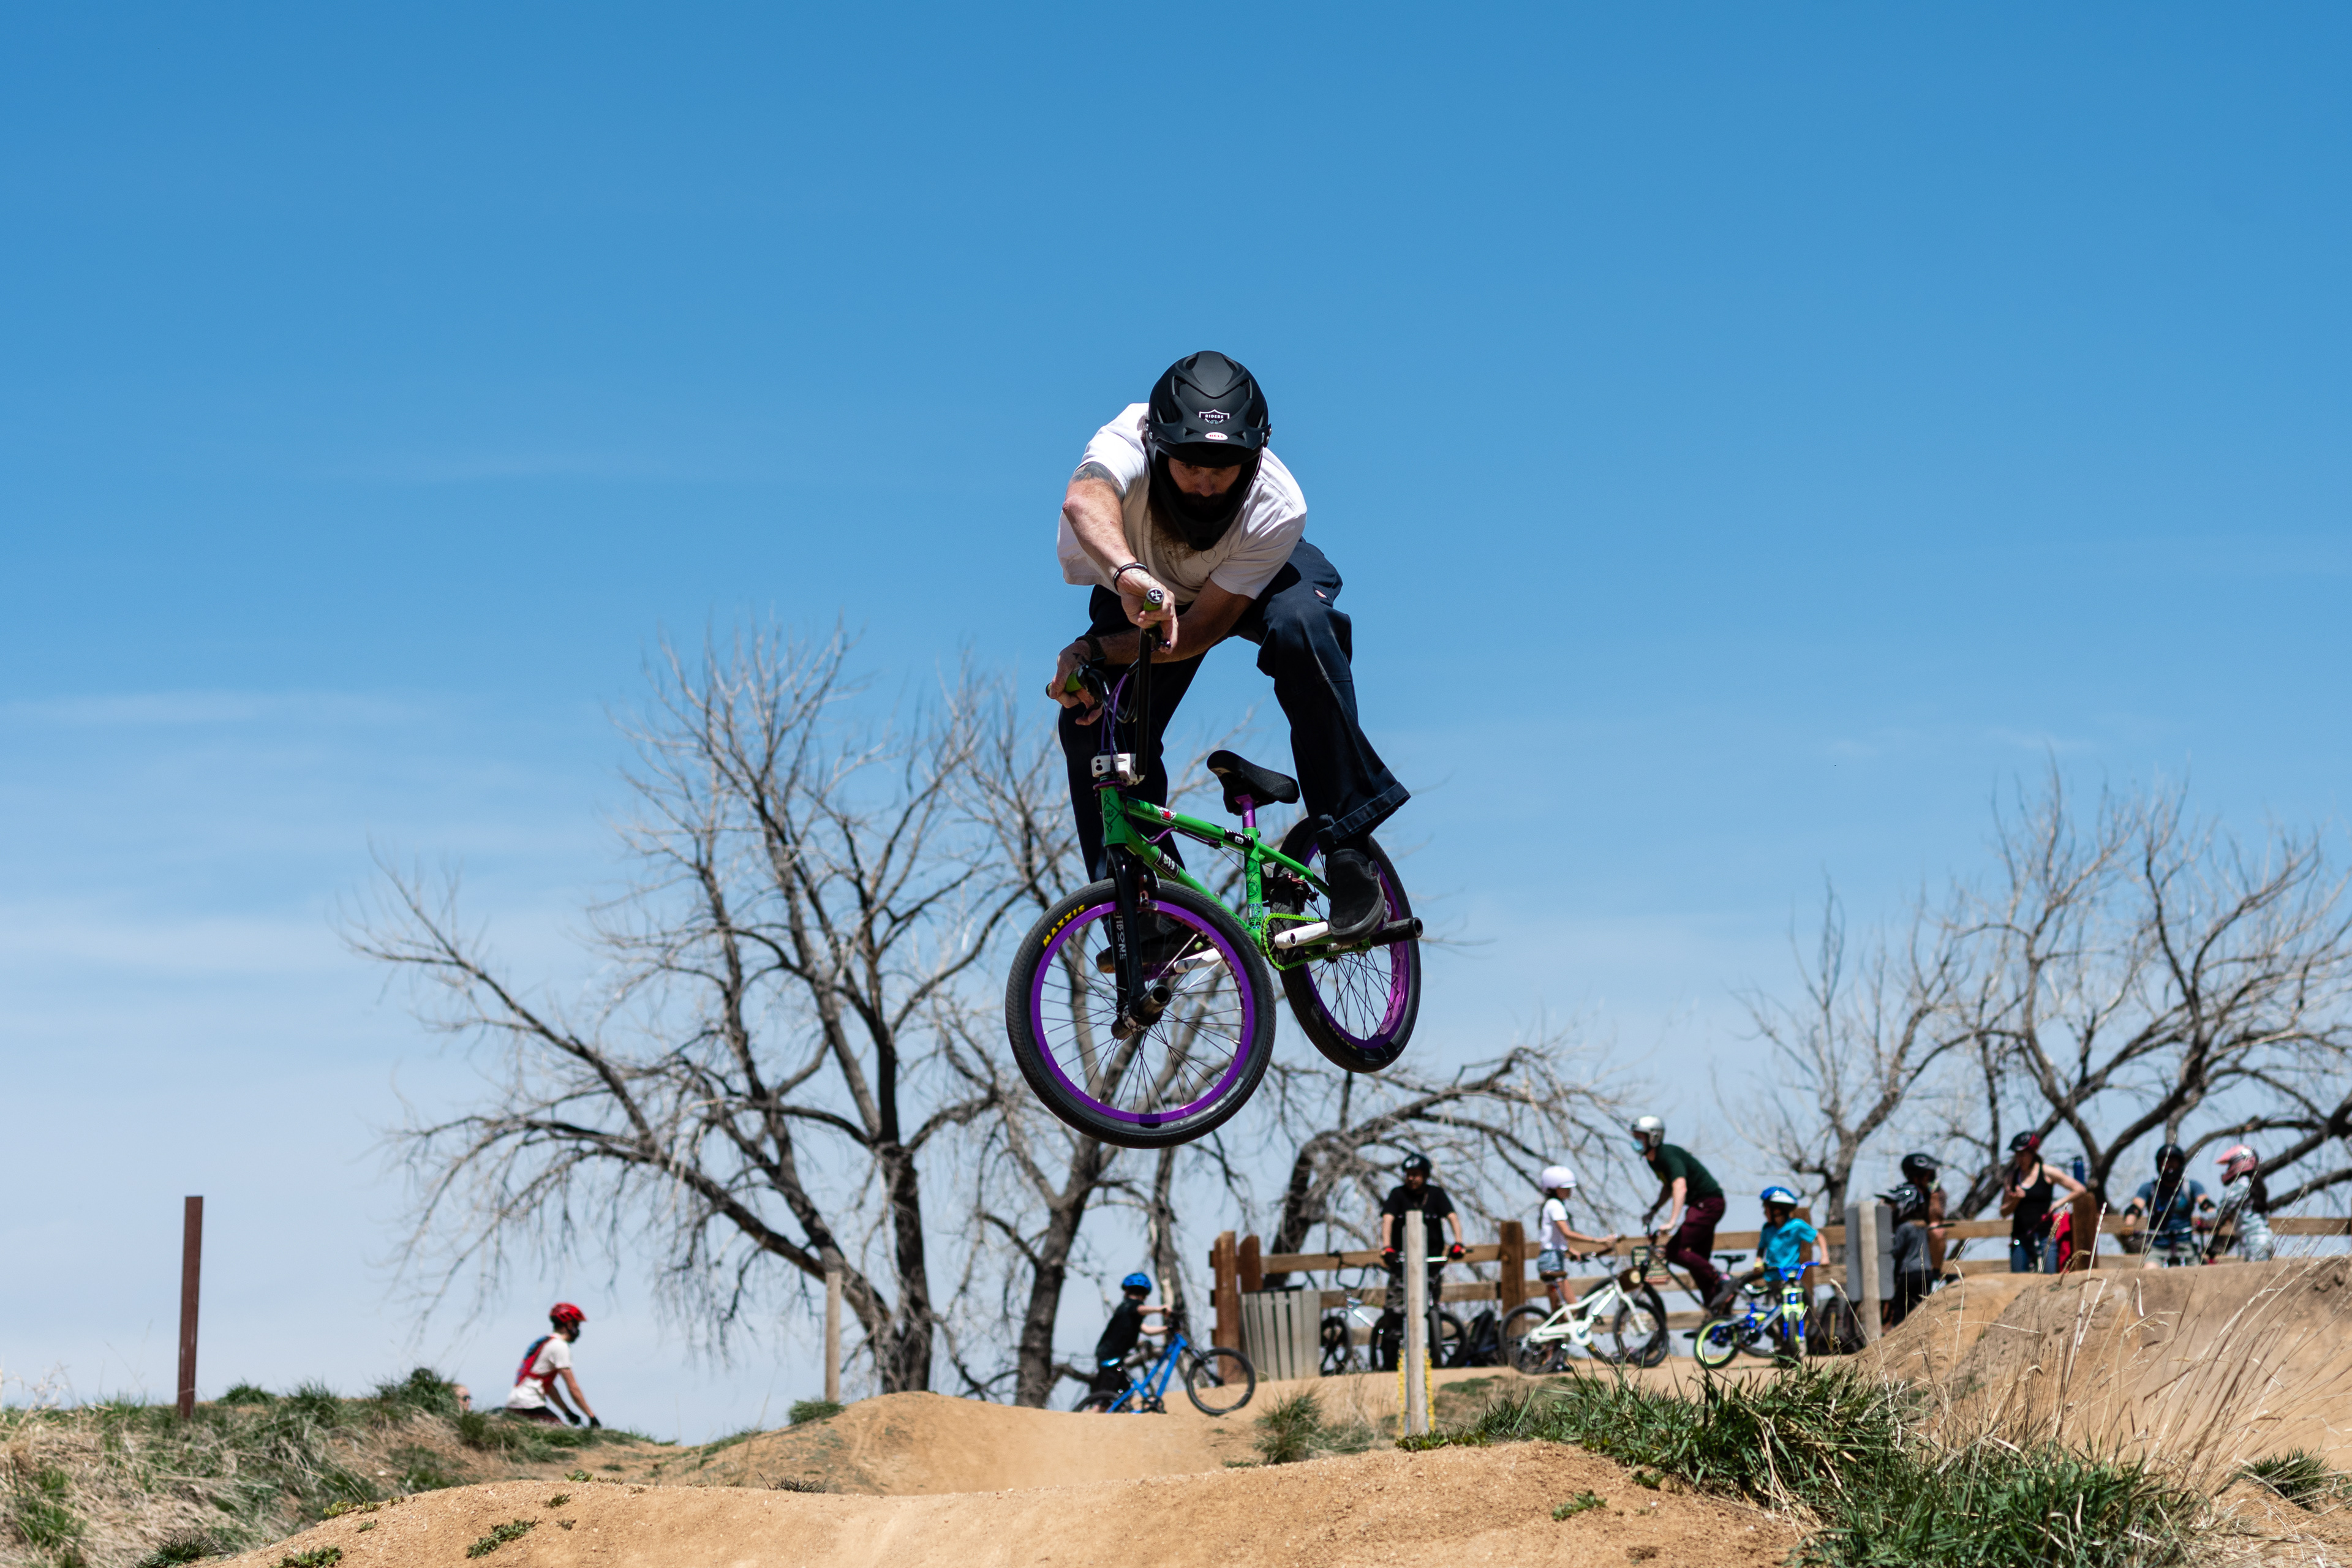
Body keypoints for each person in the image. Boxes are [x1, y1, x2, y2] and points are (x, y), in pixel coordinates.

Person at [1047, 352, 1409, 941]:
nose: (1207, 484)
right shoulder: (1124, 440)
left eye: (1226, 468)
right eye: (1190, 465)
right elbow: (1084, 501)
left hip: (1250, 580)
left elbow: (1195, 633)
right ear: (1158, 445)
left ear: (1256, 455)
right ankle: (1147, 905)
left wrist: (1100, 646)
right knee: (1091, 718)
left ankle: (1347, 848)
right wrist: (1123, 591)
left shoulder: (1276, 505)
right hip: (1140, 580)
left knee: (1302, 628)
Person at [1632, 1115, 1730, 1311]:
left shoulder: (1667, 1154)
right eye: (1634, 1137)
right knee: (1697, 1263)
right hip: (1702, 1205)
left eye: (1640, 1137)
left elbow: (1679, 1186)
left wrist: (1672, 1221)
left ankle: (1722, 1279)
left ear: (1653, 1137)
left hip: (1707, 1203)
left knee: (1673, 1251)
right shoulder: (1653, 1161)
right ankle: (1717, 1312)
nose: (1636, 1141)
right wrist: (1654, 1210)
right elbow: (1668, 1187)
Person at [1379, 1154, 1467, 1334]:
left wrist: (1459, 1242)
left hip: (1431, 1262)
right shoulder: (1398, 1194)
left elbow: (1452, 1217)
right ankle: (1391, 1342)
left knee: (1431, 1304)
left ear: (1426, 1175)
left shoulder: (1436, 1194)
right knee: (1395, 1308)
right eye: (1408, 1174)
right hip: (1402, 1262)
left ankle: (1433, 1342)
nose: (1412, 1178)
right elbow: (1387, 1219)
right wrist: (1387, 1247)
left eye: (1416, 1174)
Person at [1721, 1186, 1828, 1306]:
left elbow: (1819, 1237)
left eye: (1766, 1208)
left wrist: (1825, 1257)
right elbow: (1762, 1248)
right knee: (1772, 1309)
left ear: (1777, 1210)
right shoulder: (1768, 1229)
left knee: (1799, 1305)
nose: (1764, 1213)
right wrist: (1758, 1261)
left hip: (1790, 1276)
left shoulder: (1796, 1225)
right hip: (1772, 1277)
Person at [1534, 1164, 1619, 1310]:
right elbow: (1567, 1233)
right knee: (1573, 1307)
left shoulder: (1550, 1205)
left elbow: (1553, 1238)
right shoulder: (1556, 1206)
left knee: (1559, 1310)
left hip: (1549, 1258)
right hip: (1553, 1260)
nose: (1569, 1191)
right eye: (1565, 1188)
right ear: (1553, 1188)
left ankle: (1557, 1325)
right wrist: (1599, 1240)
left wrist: (1570, 1250)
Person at [1999, 1132, 2084, 1273]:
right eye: (2017, 1154)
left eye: (2023, 1154)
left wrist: (2058, 1204)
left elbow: (2080, 1189)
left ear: (2033, 1152)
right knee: (2018, 1280)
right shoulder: (2012, 1177)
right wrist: (2016, 1200)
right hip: (2020, 1238)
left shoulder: (2047, 1172)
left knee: (2049, 1279)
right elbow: (2003, 1212)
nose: (2019, 1159)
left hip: (2045, 1237)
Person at [505, 1302, 600, 1427]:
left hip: (515, 1402)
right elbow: (573, 1387)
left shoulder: (544, 1341)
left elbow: (548, 1387)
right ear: (570, 1324)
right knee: (562, 1434)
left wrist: (567, 1411)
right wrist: (591, 1416)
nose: (578, 1330)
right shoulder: (560, 1346)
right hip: (529, 1405)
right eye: (577, 1325)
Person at [2124, 1143, 2214, 1268]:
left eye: (2173, 1163)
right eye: (2166, 1163)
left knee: (2198, 1273)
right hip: (2158, 1247)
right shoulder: (2149, 1189)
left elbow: (2206, 1203)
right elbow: (2135, 1207)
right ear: (2159, 1165)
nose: (2170, 1167)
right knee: (2149, 1270)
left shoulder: (2191, 1187)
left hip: (2186, 1246)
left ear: (2180, 1164)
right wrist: (2129, 1224)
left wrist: (2211, 1216)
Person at [1088, 1272, 1170, 1404]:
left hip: (1115, 1358)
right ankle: (1096, 1413)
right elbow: (1140, 1309)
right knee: (1104, 1401)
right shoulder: (1129, 1306)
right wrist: (1160, 1310)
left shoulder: (1129, 1312)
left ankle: (1118, 1413)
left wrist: (1167, 1329)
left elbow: (1147, 1330)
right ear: (1145, 1295)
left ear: (1126, 1291)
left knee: (1125, 1394)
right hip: (1110, 1358)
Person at [1879, 1183, 1935, 1327]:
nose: (1891, 1210)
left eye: (1893, 1206)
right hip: (1925, 1271)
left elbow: (1896, 1252)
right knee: (1921, 1307)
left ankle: (1900, 1335)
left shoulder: (1904, 1228)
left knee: (1901, 1310)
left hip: (1908, 1274)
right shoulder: (1922, 1226)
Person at [2206, 1145, 2275, 1263]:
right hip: (2263, 1239)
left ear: (2239, 1163)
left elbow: (2224, 1209)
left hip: (2255, 1241)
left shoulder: (2242, 1184)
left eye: (2230, 1164)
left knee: (2255, 1274)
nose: (2228, 1169)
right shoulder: (2253, 1183)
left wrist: (2206, 1221)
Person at [1899, 1152, 1952, 1277]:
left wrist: (1933, 1195)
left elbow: (1936, 1219)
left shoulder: (1937, 1193)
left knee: (1937, 1230)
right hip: (1904, 1239)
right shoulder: (1904, 1192)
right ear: (1915, 1177)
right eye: (1927, 1175)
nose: (1931, 1178)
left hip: (1925, 1239)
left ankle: (1935, 1273)